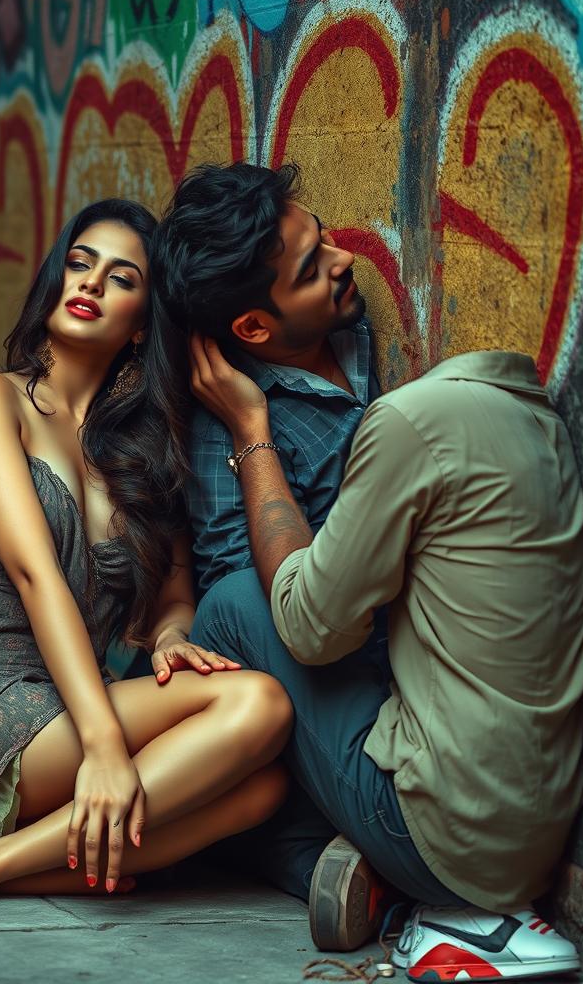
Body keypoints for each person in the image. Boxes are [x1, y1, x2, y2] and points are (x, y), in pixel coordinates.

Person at [0, 199, 292, 899]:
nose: (91, 284)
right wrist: (104, 744)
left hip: (64, 705)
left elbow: (172, 594)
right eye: (80, 263)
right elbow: (35, 574)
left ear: (141, 326)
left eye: (121, 278)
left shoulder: (141, 449)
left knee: (263, 792)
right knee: (260, 707)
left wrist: (168, 637)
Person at [186, 327, 583, 975]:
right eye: (310, 257)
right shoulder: (528, 413)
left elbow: (308, 626)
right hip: (535, 833)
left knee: (234, 604)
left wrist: (251, 434)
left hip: (444, 839)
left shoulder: (409, 420)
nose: (340, 259)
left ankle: (401, 897)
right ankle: (384, 881)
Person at [152, 161, 386, 947]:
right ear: (253, 328)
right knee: (237, 606)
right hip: (317, 663)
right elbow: (242, 606)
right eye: (314, 267)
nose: (344, 262)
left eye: (323, 241)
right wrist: (255, 430)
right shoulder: (230, 424)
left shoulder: (354, 336)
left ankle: (293, 845)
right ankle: (308, 851)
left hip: (390, 648)